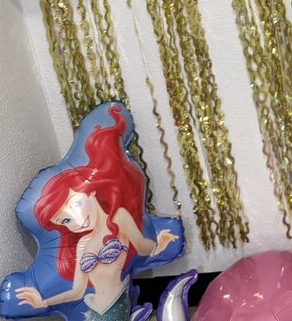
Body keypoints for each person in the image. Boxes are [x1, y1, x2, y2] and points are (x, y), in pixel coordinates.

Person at [15, 105, 180, 321]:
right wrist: (43, 302)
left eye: (76, 204)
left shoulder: (119, 218)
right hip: (93, 311)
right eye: (65, 221)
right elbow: (77, 291)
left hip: (117, 304)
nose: (76, 222)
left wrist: (160, 243)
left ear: (91, 191)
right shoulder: (82, 245)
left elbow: (142, 247)